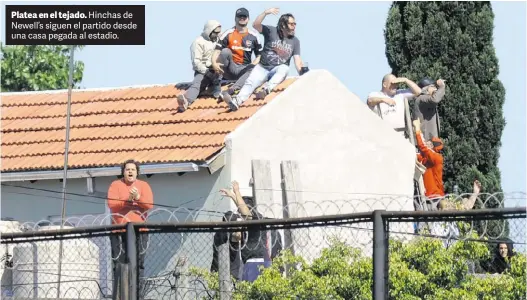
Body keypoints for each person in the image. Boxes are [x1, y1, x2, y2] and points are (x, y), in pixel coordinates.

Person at [223, 8, 309, 111]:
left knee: (285, 69)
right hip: (263, 67)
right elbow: (256, 25)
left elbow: (297, 60)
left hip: (277, 69)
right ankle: (237, 101)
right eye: (291, 24)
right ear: (283, 25)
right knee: (250, 82)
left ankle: (266, 89)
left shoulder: (295, 41)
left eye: (295, 24)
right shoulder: (271, 31)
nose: (294, 27)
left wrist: (304, 75)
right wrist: (265, 13)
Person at [211, 181, 282, 282]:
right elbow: (243, 210)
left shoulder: (254, 221)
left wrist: (236, 191)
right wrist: (232, 195)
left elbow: (246, 213)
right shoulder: (256, 221)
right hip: (254, 263)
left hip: (256, 264)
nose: (239, 214)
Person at [107, 159, 154, 299]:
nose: (130, 172)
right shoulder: (115, 185)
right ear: (123, 172)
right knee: (120, 265)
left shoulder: (144, 185)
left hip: (140, 231)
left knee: (138, 264)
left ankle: (137, 295)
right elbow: (112, 204)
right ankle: (121, 295)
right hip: (119, 231)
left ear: (137, 172)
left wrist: (138, 198)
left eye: (133, 169)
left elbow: (149, 205)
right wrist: (128, 199)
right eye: (127, 169)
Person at [211, 8, 262, 101]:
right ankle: (216, 83)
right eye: (240, 16)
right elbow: (217, 51)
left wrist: (253, 65)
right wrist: (214, 63)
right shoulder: (228, 33)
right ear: (235, 18)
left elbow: (259, 55)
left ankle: (232, 90)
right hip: (230, 69)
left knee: (256, 67)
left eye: (244, 17)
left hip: (244, 69)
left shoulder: (254, 36)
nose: (242, 18)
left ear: (248, 19)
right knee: (225, 51)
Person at [177, 20, 223, 112]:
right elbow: (196, 63)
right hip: (203, 71)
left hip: (217, 69)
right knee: (197, 85)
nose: (217, 35)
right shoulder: (198, 42)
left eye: (219, 32)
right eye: (215, 32)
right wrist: (207, 73)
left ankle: (217, 90)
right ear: (209, 31)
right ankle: (186, 101)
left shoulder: (218, 40)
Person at [413, 118, 445, 207]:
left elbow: (423, 146)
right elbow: (416, 154)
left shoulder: (437, 158)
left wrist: (417, 130)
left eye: (429, 142)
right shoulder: (427, 158)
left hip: (434, 198)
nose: (427, 142)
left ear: (431, 145)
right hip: (427, 197)